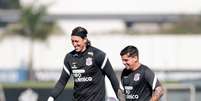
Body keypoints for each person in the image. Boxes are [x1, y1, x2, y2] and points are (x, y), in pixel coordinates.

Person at [47, 26, 124, 101]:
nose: (74, 44)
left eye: (77, 41)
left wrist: (120, 97)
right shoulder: (69, 57)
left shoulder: (98, 55)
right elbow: (62, 81)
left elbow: (112, 77)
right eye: (72, 41)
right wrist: (51, 97)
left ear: (85, 40)